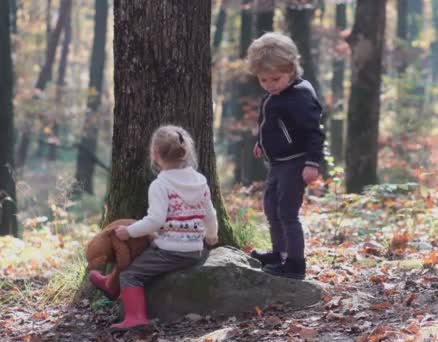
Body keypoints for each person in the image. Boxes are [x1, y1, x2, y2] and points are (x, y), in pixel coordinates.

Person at [102, 125, 218, 331]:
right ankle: (109, 285)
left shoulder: (160, 184)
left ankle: (136, 318)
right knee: (144, 251)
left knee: (130, 275)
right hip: (194, 249)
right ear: (185, 152)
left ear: (155, 155)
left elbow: (155, 220)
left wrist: (128, 231)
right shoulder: (200, 182)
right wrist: (211, 235)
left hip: (170, 251)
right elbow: (210, 214)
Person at [246, 32, 325, 280]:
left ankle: (295, 263)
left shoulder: (300, 95)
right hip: (277, 163)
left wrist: (312, 163)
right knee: (271, 208)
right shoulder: (274, 94)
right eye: (263, 80)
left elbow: (314, 132)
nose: (270, 85)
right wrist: (261, 142)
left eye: (276, 79)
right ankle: (278, 253)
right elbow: (268, 121)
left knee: (287, 213)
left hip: (296, 161)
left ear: (291, 69)